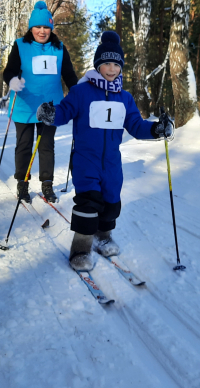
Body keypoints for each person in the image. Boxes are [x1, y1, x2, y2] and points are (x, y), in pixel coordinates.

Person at [36, 31, 174, 271]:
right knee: (88, 204)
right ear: (98, 65)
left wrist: (156, 129)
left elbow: (136, 126)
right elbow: (64, 113)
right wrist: (50, 114)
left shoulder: (125, 98)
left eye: (116, 64)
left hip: (111, 162)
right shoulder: (81, 92)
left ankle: (103, 236)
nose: (111, 69)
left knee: (111, 202)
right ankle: (80, 249)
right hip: (85, 161)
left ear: (121, 67)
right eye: (106, 64)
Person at [2, 1, 78, 203]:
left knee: (46, 146)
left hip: (51, 107)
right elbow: (9, 70)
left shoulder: (59, 48)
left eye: (46, 27)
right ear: (31, 28)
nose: (42, 31)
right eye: (38, 27)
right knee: (24, 145)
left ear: (51, 28)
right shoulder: (21, 45)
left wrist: (79, 93)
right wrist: (12, 81)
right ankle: (23, 182)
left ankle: (47, 184)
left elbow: (69, 75)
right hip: (24, 104)